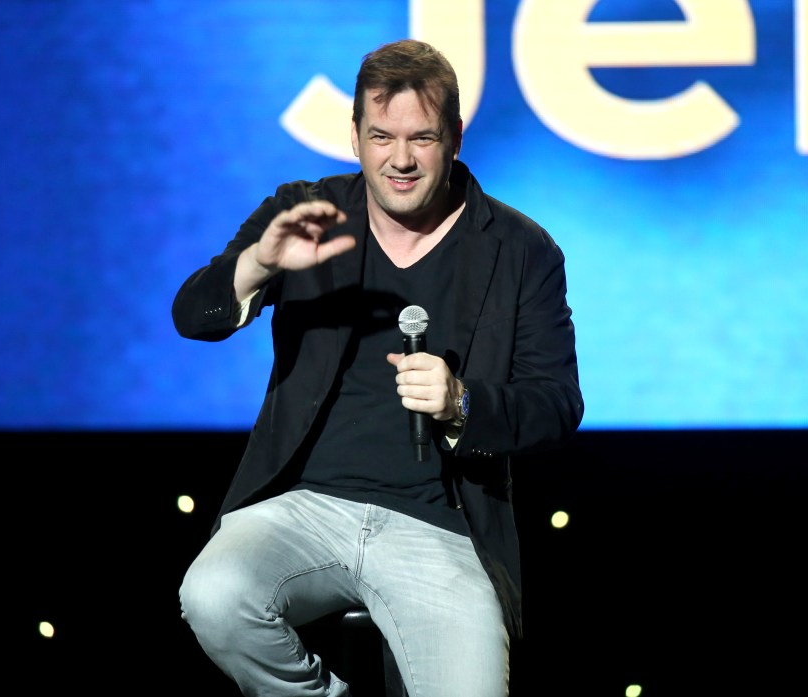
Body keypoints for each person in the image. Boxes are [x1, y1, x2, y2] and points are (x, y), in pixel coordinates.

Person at [173, 38, 584, 697]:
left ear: (454, 135)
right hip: (304, 506)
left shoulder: (520, 249)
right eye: (380, 136)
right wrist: (257, 265)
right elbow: (193, 315)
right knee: (214, 593)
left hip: (441, 527)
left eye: (420, 138)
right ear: (357, 134)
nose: (398, 159)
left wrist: (462, 404)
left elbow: (558, 404)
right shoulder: (306, 211)